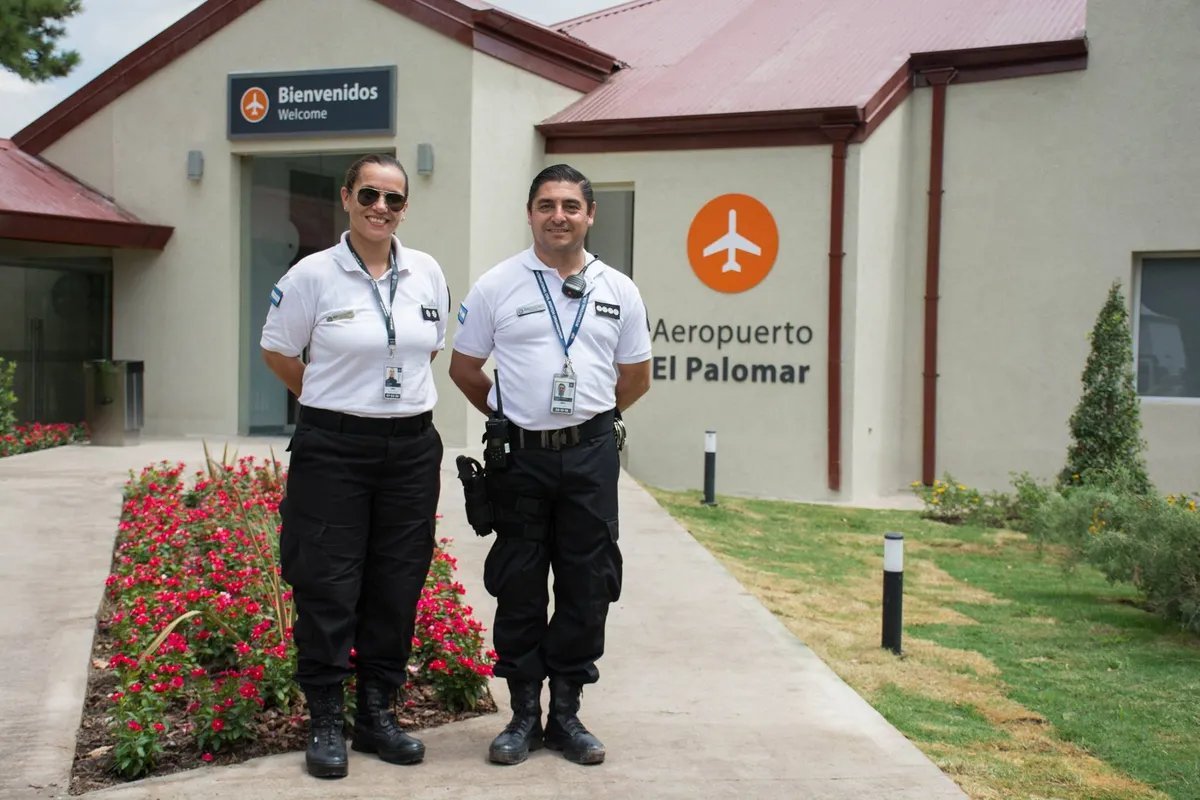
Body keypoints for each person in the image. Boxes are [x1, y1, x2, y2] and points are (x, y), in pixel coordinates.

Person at [449, 164, 652, 767]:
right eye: (546, 205)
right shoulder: (497, 286)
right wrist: (510, 413)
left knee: (589, 583)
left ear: (590, 215)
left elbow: (636, 376)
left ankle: (566, 714)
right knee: (518, 581)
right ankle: (521, 715)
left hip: (589, 457)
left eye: (569, 205)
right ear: (530, 213)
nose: (557, 215)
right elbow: (464, 368)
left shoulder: (620, 289)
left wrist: (588, 419)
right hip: (521, 459)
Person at [260, 154, 449, 779]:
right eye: (369, 195)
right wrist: (330, 396)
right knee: (327, 582)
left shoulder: (427, 272)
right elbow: (280, 352)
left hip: (411, 450)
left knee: (397, 583)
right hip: (334, 450)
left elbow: (428, 351)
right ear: (347, 198)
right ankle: (325, 720)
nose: (381, 208)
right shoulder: (313, 275)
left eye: (393, 199)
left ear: (405, 208)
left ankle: (376, 715)